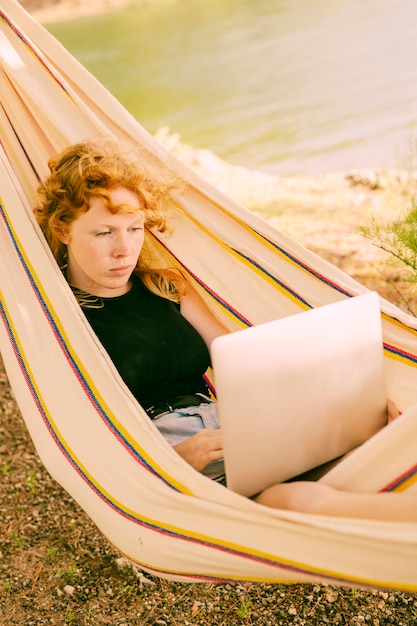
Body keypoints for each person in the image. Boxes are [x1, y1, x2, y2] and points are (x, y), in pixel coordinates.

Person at [34, 138, 417, 523]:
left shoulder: (167, 287)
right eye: (104, 233)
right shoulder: (60, 320)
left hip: (232, 429)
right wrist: (172, 461)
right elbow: (85, 441)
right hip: (162, 455)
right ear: (63, 230)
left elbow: (245, 364)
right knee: (292, 502)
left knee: (376, 448)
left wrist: (353, 412)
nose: (124, 249)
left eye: (135, 228)